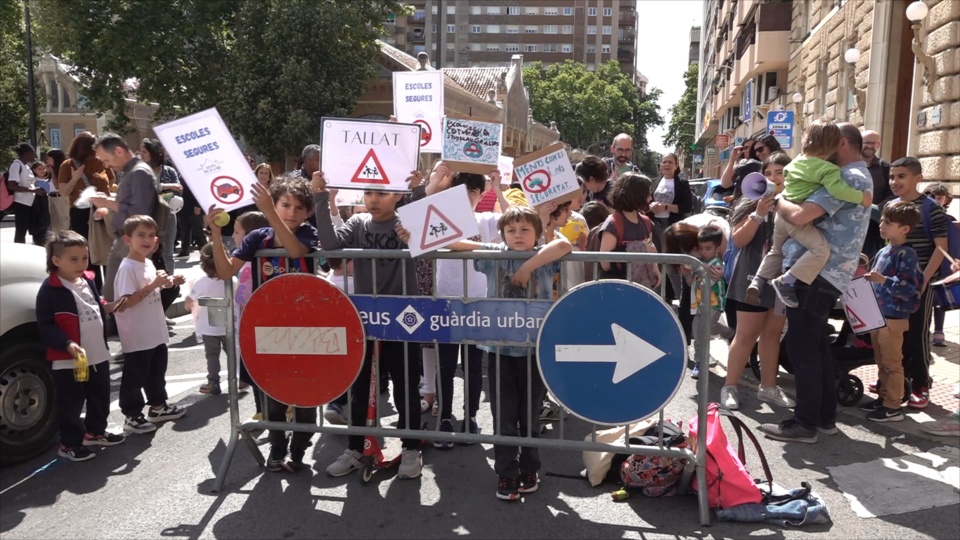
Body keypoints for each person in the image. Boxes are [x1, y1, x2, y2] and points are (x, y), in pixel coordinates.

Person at [426, 205, 571, 501]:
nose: (518, 235)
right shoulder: (493, 253)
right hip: (499, 350)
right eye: (511, 230)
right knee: (503, 415)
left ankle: (530, 468)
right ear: (502, 233)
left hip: (533, 352)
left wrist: (527, 266)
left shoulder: (544, 255)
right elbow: (455, 243)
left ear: (537, 233)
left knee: (529, 415)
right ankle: (507, 472)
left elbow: (565, 243)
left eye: (525, 230)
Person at [758, 122, 872, 443]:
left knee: (802, 348)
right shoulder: (855, 177)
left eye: (830, 145)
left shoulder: (846, 177)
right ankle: (824, 418)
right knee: (818, 347)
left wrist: (776, 197)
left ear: (843, 145)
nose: (823, 152)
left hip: (816, 275)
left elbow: (800, 215)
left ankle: (805, 423)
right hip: (825, 275)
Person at [312, 170, 424, 480]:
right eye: (369, 193)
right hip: (366, 319)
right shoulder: (359, 223)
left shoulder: (408, 220)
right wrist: (320, 198)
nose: (373, 199)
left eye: (382, 193)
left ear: (399, 195)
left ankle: (411, 448)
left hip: (404, 319)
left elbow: (431, 238)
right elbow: (331, 244)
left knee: (405, 389)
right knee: (359, 388)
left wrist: (419, 191)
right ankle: (356, 447)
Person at [210, 176, 319, 472]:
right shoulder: (258, 237)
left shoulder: (309, 233)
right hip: (269, 329)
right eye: (284, 204)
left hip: (307, 329)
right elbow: (224, 271)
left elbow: (295, 251)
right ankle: (277, 447)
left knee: (307, 393)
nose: (291, 212)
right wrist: (216, 234)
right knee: (273, 393)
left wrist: (269, 210)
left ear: (308, 211)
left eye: (298, 207)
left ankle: (299, 450)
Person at [746, 118, 870, 309]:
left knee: (775, 250)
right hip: (798, 225)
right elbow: (835, 193)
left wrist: (780, 200)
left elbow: (786, 181)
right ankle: (786, 280)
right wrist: (861, 197)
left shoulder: (795, 162)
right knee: (821, 250)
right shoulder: (829, 170)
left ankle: (757, 281)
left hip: (780, 218)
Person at [424, 167, 502, 448]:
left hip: (478, 304)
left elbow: (514, 220)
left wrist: (499, 188)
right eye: (461, 187)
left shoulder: (486, 220)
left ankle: (469, 417)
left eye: (473, 189)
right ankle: (444, 417)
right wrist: (436, 183)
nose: (467, 194)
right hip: (446, 302)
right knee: (445, 365)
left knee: (472, 367)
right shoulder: (439, 217)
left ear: (481, 195)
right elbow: (414, 214)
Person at [37, 231, 127, 461]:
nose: (81, 264)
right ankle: (69, 444)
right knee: (72, 402)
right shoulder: (50, 290)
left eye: (84, 258)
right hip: (69, 359)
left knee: (100, 395)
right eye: (73, 259)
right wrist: (66, 343)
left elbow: (95, 304)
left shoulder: (87, 279)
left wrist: (110, 306)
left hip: (96, 352)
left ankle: (95, 431)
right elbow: (46, 326)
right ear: (56, 261)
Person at [721, 152, 795, 411]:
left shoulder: (796, 203)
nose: (773, 178)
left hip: (781, 278)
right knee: (745, 335)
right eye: (769, 173)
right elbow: (739, 241)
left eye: (780, 173)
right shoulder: (749, 202)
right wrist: (759, 213)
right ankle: (730, 386)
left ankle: (768, 388)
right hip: (751, 277)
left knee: (772, 335)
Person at [114, 215, 187, 434]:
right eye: (141, 235)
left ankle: (158, 406)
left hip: (154, 330)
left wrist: (168, 282)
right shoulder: (127, 267)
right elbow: (125, 302)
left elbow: (150, 289)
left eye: (151, 235)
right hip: (137, 333)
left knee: (156, 371)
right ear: (128, 240)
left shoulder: (146, 262)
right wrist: (155, 283)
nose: (147, 240)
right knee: (135, 375)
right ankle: (132, 415)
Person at [886, 157, 949, 409]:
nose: (894, 182)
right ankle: (896, 382)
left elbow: (940, 248)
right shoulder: (890, 205)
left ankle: (921, 383)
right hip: (892, 283)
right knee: (894, 334)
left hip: (919, 283)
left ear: (918, 179)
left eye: (901, 176)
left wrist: (923, 281)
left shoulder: (930, 208)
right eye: (892, 177)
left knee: (917, 334)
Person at [859, 201, 923, 423]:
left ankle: (893, 406)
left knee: (892, 362)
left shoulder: (907, 254)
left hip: (894, 318)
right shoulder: (884, 250)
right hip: (879, 315)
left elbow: (910, 288)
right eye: (883, 220)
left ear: (904, 228)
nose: (882, 225)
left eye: (888, 222)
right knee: (881, 359)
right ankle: (884, 397)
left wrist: (882, 280)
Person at [89, 133, 158, 303]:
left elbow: (140, 212)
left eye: (106, 160)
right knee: (115, 294)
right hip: (126, 240)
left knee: (119, 296)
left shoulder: (139, 172)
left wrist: (108, 203)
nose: (106, 165)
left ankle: (119, 328)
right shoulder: (132, 172)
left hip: (132, 241)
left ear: (119, 151)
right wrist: (108, 206)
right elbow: (132, 204)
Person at [228, 211, 271, 420]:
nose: (234, 236)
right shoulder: (244, 264)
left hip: (258, 329)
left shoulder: (258, 264)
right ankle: (261, 411)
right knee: (254, 373)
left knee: (262, 373)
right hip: (246, 330)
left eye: (237, 232)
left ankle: (271, 411)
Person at [596, 172, 661, 288]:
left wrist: (655, 269)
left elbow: (649, 247)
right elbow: (605, 263)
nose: (650, 198)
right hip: (617, 289)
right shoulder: (613, 224)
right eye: (647, 194)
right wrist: (638, 248)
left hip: (643, 289)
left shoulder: (646, 222)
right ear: (636, 195)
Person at [688, 226, 734, 379]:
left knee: (703, 333)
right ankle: (726, 332)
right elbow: (692, 282)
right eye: (701, 248)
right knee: (698, 331)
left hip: (714, 304)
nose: (703, 252)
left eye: (708, 248)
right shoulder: (701, 263)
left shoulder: (716, 264)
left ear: (717, 248)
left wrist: (696, 265)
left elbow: (710, 274)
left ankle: (700, 362)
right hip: (700, 305)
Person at [185, 244, 231, 395]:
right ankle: (237, 378)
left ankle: (213, 382)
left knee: (212, 356)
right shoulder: (231, 281)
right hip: (229, 326)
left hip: (208, 327)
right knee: (233, 354)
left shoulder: (201, 282)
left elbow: (189, 301)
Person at [650, 152, 694, 295]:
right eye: (664, 162)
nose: (667, 165)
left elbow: (687, 207)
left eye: (670, 162)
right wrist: (651, 206)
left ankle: (681, 297)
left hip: (672, 227)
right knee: (654, 262)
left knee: (672, 264)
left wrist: (666, 207)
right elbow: (646, 201)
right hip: (654, 225)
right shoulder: (654, 182)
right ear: (660, 166)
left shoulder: (682, 184)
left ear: (676, 166)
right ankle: (657, 295)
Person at [140, 138, 182, 277]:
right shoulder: (140, 170)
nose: (141, 154)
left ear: (153, 152)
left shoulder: (169, 171)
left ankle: (170, 284)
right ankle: (152, 282)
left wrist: (162, 193)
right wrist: (166, 187)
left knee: (167, 251)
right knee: (148, 250)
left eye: (144, 151)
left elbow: (178, 190)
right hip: (147, 216)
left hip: (168, 214)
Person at [925, 183, 955, 347]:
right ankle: (926, 329)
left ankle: (939, 330)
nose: (935, 201)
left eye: (939, 198)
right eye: (932, 197)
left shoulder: (949, 220)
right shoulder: (924, 216)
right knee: (927, 300)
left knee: (939, 299)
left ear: (946, 200)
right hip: (928, 262)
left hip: (943, 265)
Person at [861, 130, 893, 258]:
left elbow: (892, 195)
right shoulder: (848, 165)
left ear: (878, 145)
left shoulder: (885, 168)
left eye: (873, 143)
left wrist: (875, 210)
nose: (870, 146)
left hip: (874, 228)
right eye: (866, 143)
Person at [7, 143, 47, 245]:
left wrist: (35, 189)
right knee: (21, 231)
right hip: (21, 203)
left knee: (35, 228)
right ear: (27, 153)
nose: (34, 156)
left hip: (31, 202)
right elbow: (12, 185)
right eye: (33, 153)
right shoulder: (16, 165)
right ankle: (18, 254)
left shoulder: (26, 166)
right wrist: (33, 190)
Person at [43, 149, 70, 233]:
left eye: (49, 159)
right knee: (54, 226)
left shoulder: (63, 170)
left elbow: (57, 186)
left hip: (61, 199)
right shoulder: (51, 171)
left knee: (63, 225)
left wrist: (52, 172)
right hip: (52, 198)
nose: (48, 161)